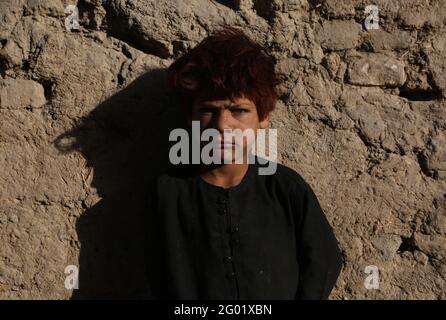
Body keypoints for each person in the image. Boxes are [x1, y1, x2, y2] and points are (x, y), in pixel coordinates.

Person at [143, 26, 343, 300]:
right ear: (189, 116)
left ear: (264, 117)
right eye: (208, 110)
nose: (222, 125)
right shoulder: (166, 194)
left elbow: (324, 260)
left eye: (239, 110)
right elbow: (156, 276)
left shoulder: (284, 188)